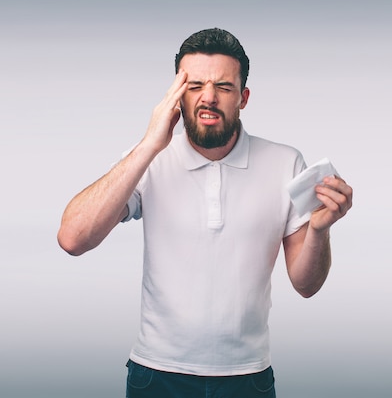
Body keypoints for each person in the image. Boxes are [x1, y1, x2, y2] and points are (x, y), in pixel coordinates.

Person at [57, 27, 353, 398]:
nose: (208, 98)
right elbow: (72, 238)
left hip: (248, 377)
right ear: (176, 96)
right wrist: (150, 143)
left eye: (224, 87)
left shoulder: (285, 162)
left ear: (243, 97)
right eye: (195, 85)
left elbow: (306, 285)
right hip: (157, 374)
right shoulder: (148, 158)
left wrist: (320, 231)